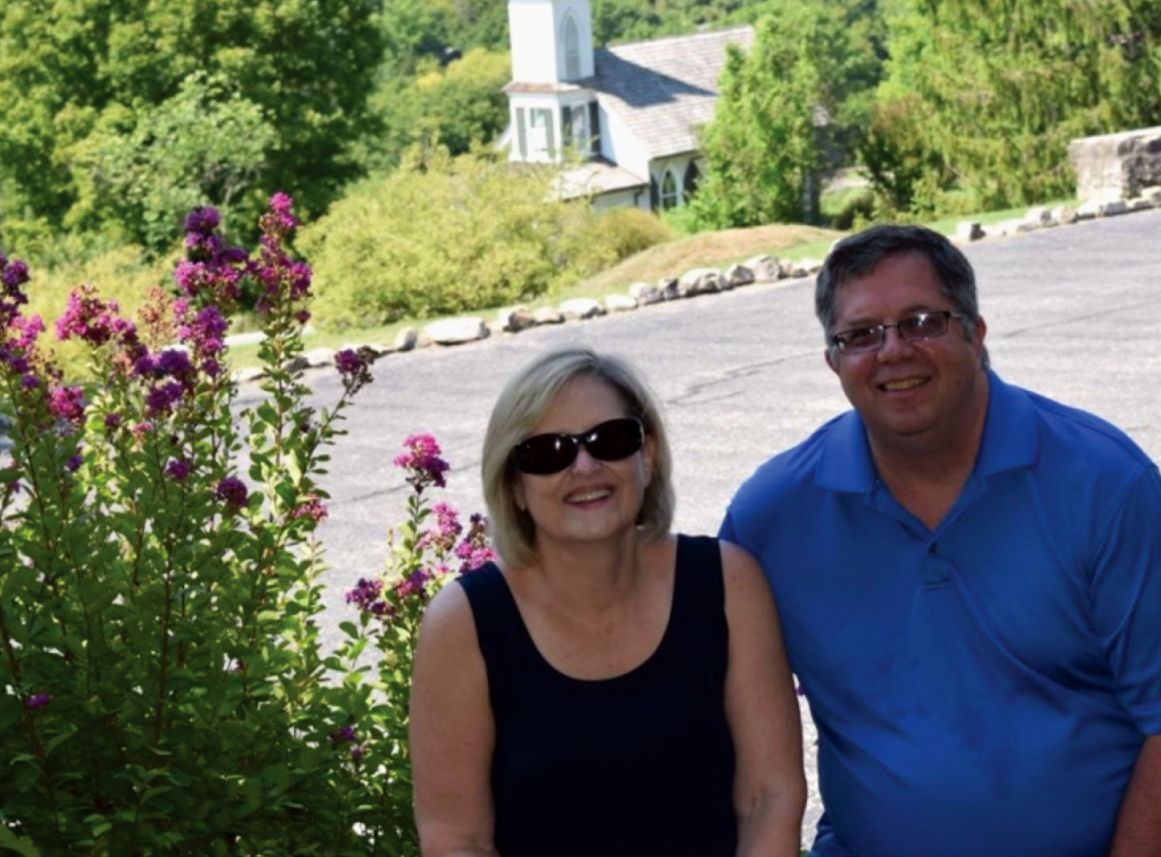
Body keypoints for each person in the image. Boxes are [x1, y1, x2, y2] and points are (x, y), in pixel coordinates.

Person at [721, 223, 1161, 857]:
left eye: (923, 321)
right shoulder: (772, 516)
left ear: (975, 334)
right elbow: (717, 721)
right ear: (833, 361)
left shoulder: (1105, 483)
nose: (894, 351)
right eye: (862, 335)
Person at [410, 345, 806, 857]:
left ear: (648, 456)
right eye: (548, 452)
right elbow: (455, 839)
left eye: (612, 439)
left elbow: (769, 797)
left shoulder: (729, 585)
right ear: (515, 487)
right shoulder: (465, 623)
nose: (584, 465)